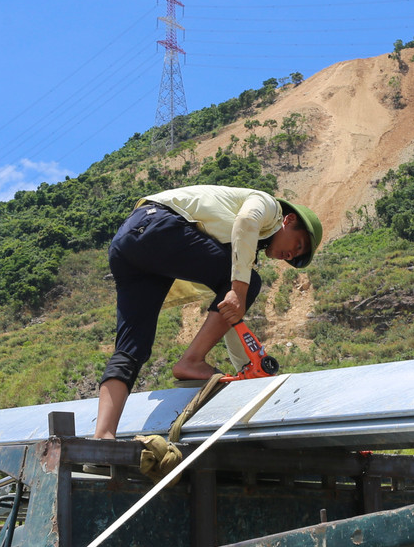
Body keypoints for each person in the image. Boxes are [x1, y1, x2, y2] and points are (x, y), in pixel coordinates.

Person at [93, 185, 322, 439]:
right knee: (246, 282)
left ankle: (103, 435)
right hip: (156, 225)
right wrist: (239, 287)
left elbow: (230, 313)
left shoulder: (245, 252)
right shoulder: (269, 206)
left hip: (128, 244)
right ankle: (191, 361)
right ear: (289, 221)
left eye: (294, 257)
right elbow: (247, 220)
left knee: (132, 348)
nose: (290, 255)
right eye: (298, 245)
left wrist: (248, 370)